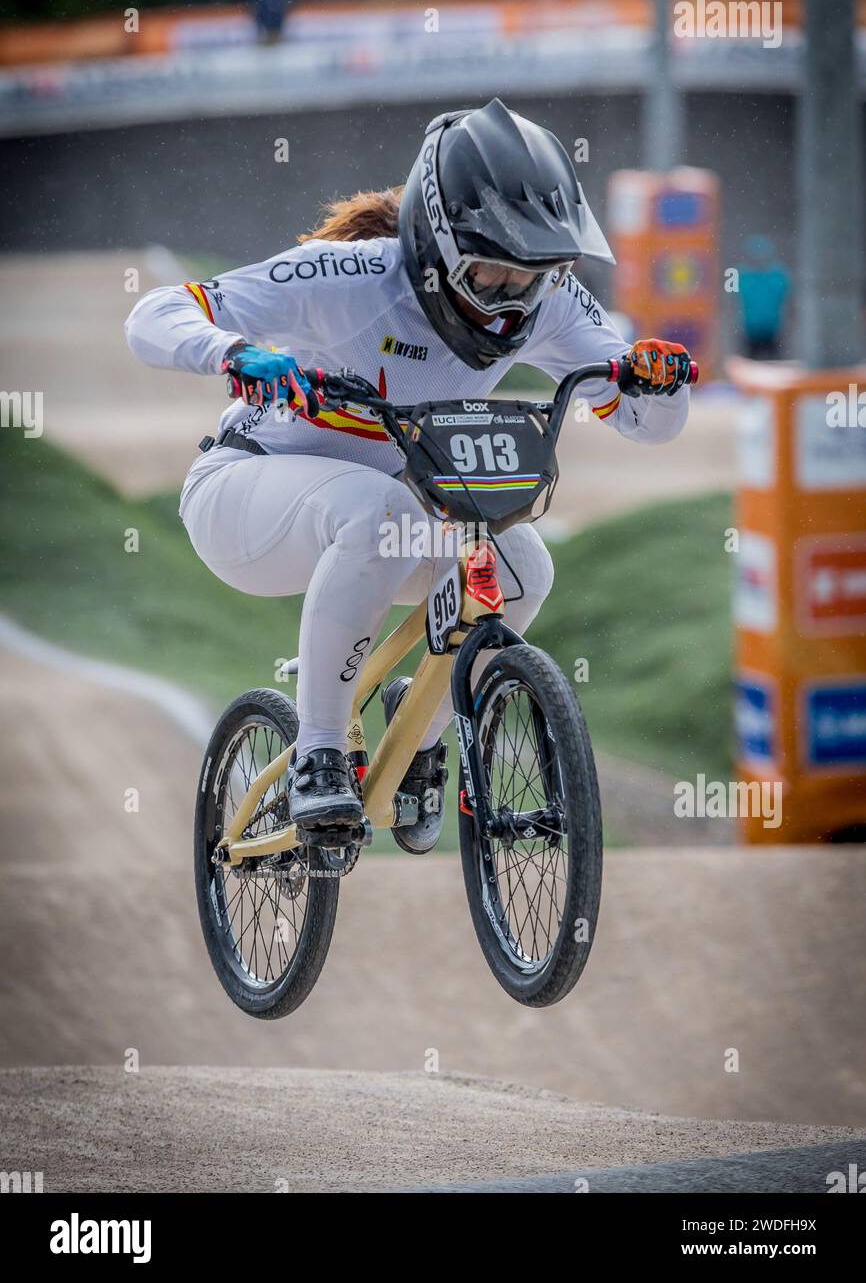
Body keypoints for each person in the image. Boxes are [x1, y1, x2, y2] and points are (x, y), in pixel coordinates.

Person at [125, 99, 693, 852]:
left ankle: (414, 723)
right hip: (243, 495)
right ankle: (319, 753)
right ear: (435, 244)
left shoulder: (544, 301)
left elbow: (648, 424)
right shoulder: (351, 276)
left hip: (383, 517)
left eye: (536, 275)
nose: (512, 301)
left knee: (521, 564)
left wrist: (661, 381)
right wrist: (233, 355)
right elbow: (157, 312)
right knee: (380, 511)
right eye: (492, 271)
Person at [738, 234, 791, 359]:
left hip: (773, 330)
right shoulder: (742, 275)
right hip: (749, 330)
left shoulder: (778, 274)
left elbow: (788, 300)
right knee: (749, 368)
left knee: (775, 368)